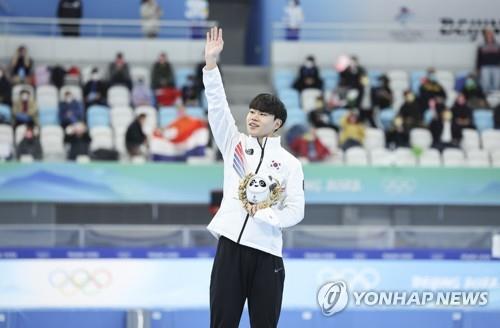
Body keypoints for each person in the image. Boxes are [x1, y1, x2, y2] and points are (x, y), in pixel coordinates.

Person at [204, 27, 304, 328]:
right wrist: (211, 65)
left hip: (267, 255)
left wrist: (266, 215)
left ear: (278, 124)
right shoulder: (235, 145)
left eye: (261, 114)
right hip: (230, 249)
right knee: (222, 324)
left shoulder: (289, 163)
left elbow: (296, 211)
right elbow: (218, 109)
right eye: (250, 111)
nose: (253, 117)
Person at [476, 28, 500, 93]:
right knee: (485, 84)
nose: (489, 36)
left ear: (493, 35)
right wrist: (477, 69)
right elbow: (478, 58)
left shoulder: (497, 45)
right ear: (485, 36)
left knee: (496, 84)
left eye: (491, 34)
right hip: (485, 67)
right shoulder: (481, 45)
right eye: (488, 34)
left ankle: (495, 99)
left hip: (496, 67)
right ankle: (486, 98)